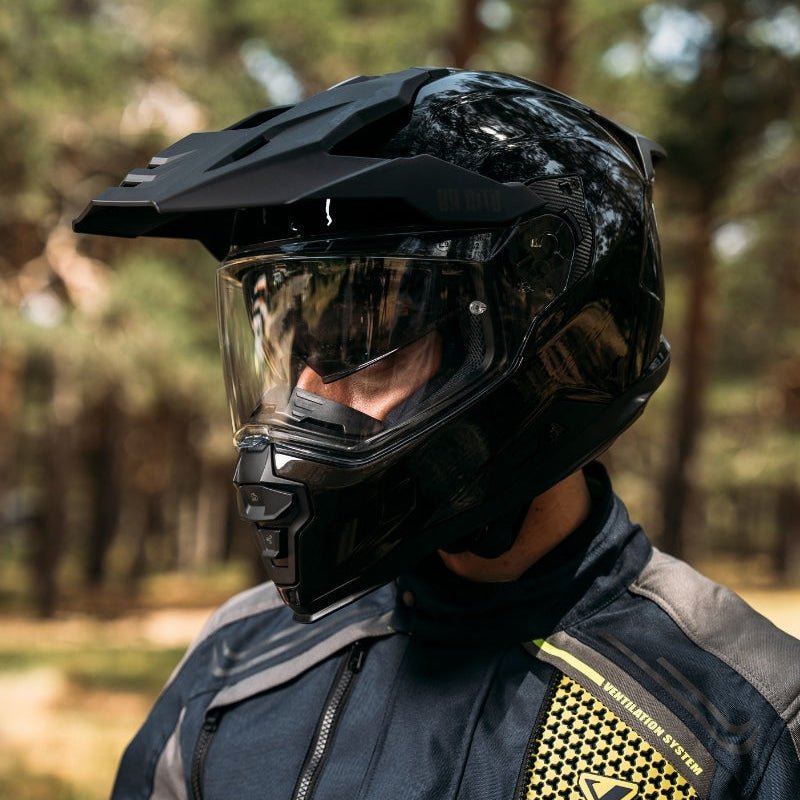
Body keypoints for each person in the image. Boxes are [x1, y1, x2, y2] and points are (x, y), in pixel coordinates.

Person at [74, 68, 800, 800]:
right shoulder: (235, 664)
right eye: (294, 353)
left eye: (366, 346)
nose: (306, 398)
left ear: (533, 342)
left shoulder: (738, 725)